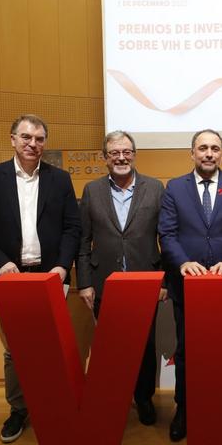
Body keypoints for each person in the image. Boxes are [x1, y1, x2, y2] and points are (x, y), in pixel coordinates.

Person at [0, 114, 81, 443]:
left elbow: (73, 228)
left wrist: (62, 266)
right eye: (27, 137)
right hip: (10, 279)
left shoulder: (60, 179)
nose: (33, 144)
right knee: (15, 348)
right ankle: (18, 409)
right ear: (13, 139)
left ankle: (53, 405)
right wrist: (0, 263)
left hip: (50, 276)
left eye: (40, 139)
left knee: (53, 345)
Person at [158, 129, 222, 442]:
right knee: (186, 350)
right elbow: (167, 234)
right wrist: (183, 261)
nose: (208, 153)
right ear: (192, 153)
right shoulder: (175, 187)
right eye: (202, 148)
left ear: (221, 152)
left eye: (214, 148)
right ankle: (183, 408)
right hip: (186, 283)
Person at [76, 130, 166, 427]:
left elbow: (166, 237)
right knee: (110, 346)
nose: (121, 157)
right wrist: (86, 282)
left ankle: (143, 398)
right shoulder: (92, 190)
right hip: (105, 281)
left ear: (134, 154)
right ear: (105, 158)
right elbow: (83, 240)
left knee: (145, 344)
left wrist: (163, 281)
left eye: (126, 151)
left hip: (145, 280)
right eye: (114, 152)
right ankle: (115, 397)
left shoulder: (155, 188)